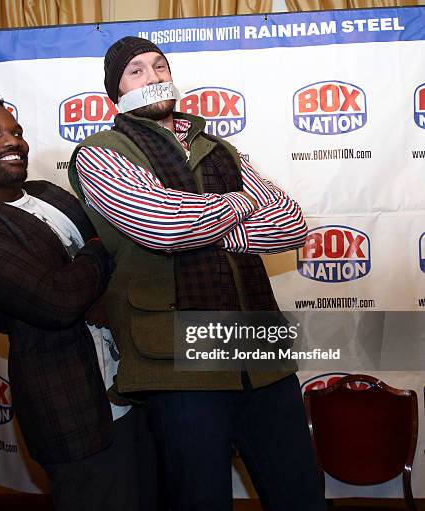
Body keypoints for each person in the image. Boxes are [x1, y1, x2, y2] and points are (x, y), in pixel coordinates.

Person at [68, 37, 327, 511]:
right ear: (116, 94)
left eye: (160, 67)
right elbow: (163, 225)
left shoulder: (220, 148)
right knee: (199, 499)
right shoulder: (100, 152)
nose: (153, 77)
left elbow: (290, 224)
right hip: (177, 361)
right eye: (137, 72)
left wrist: (203, 223)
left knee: (302, 497)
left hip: (261, 356)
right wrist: (242, 206)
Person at [0, 93, 156, 511]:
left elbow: (123, 246)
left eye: (15, 132)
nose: (11, 141)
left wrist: (99, 280)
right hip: (75, 411)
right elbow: (55, 301)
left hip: (135, 390)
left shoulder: (49, 193)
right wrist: (92, 250)